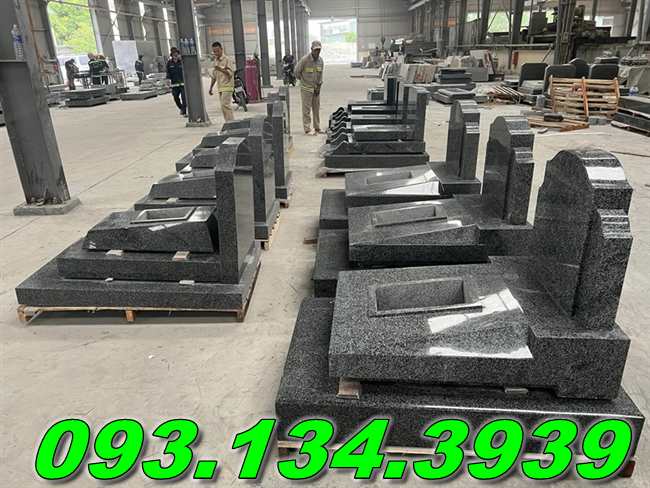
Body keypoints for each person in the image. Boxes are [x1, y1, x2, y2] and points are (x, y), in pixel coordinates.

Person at [295, 40, 324, 134]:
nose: (317, 52)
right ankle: (307, 129)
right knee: (306, 110)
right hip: (306, 89)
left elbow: (320, 75)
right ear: (311, 49)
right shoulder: (305, 60)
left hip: (316, 89)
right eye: (315, 50)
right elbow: (296, 72)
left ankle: (317, 127)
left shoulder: (320, 61)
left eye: (319, 50)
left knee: (316, 109)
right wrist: (303, 81)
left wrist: (319, 87)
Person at [208, 41, 235, 121]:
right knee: (223, 107)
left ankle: (231, 123)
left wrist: (220, 69)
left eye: (217, 51)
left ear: (221, 49)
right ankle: (228, 122)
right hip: (220, 87)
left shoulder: (227, 60)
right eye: (214, 51)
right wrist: (211, 88)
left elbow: (230, 74)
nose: (216, 53)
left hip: (228, 86)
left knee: (225, 105)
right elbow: (214, 76)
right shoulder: (215, 61)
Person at [166, 47, 187, 116]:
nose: (175, 55)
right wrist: (168, 80)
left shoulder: (182, 62)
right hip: (174, 84)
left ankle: (184, 111)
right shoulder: (169, 63)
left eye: (176, 54)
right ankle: (181, 108)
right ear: (171, 55)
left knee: (184, 98)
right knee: (175, 98)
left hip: (183, 84)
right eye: (173, 54)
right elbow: (168, 72)